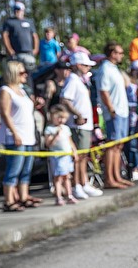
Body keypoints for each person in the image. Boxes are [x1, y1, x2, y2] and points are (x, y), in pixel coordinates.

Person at [0, 58, 41, 212]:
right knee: (14, 169)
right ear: (13, 73)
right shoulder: (5, 91)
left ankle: (24, 196)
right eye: (22, 72)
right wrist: (15, 133)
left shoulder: (22, 90)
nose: (25, 75)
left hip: (28, 135)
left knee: (26, 169)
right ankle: (8, 200)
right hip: (15, 135)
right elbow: (5, 114)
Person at [55, 52, 102, 199]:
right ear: (78, 65)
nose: (88, 68)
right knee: (78, 157)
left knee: (83, 156)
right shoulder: (72, 80)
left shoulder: (79, 80)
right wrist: (78, 115)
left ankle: (83, 182)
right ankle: (77, 185)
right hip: (78, 126)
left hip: (84, 125)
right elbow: (65, 99)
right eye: (85, 65)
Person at [97, 42, 132, 189]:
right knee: (112, 145)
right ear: (112, 53)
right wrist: (111, 109)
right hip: (114, 112)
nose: (122, 55)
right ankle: (109, 178)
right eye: (119, 52)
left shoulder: (115, 69)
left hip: (122, 111)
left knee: (119, 145)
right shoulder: (105, 69)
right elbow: (103, 91)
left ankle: (117, 176)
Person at [42, 105, 78, 205]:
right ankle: (58, 196)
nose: (61, 120)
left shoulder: (66, 128)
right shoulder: (49, 129)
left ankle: (69, 195)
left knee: (67, 176)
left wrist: (74, 151)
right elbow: (48, 144)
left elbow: (70, 141)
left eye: (64, 118)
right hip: (57, 157)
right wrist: (55, 136)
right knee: (58, 177)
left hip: (66, 156)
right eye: (59, 117)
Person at [1, 1, 39, 69]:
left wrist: (36, 49)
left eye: (18, 9)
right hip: (16, 54)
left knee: (30, 71)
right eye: (15, 10)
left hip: (29, 53)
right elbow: (5, 36)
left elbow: (35, 36)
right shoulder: (8, 22)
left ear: (23, 10)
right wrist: (10, 50)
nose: (16, 12)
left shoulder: (29, 22)